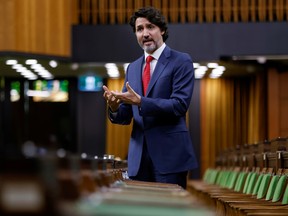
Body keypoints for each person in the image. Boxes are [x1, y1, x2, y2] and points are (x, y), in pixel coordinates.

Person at [103, 6, 198, 189]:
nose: (145, 33)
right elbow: (125, 115)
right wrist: (114, 107)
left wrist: (141, 101)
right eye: (139, 29)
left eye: (150, 27)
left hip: (170, 157)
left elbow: (179, 105)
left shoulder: (181, 61)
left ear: (161, 30)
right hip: (138, 159)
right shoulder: (132, 68)